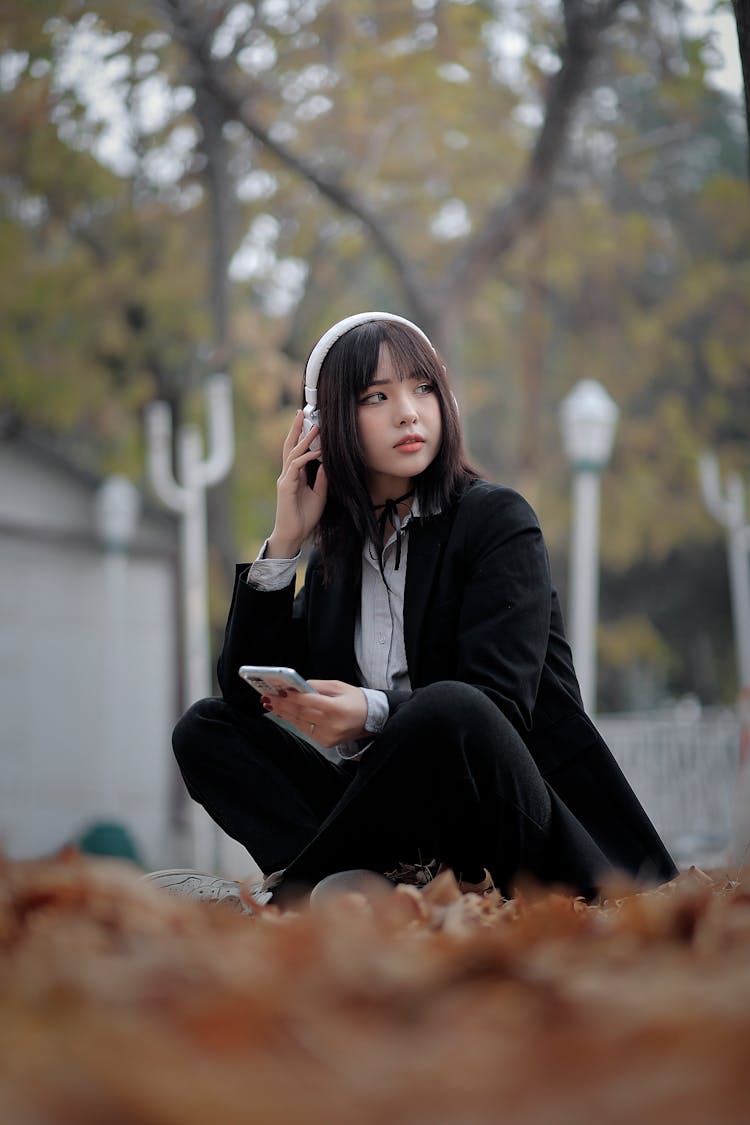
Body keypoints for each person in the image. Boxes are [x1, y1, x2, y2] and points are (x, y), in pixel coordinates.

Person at [149, 311, 677, 910]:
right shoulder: (333, 564)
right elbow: (246, 697)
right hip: (398, 833)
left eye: (423, 387)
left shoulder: (497, 522)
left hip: (512, 821)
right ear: (325, 428)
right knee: (205, 730)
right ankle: (364, 886)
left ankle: (296, 896)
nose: (409, 411)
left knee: (449, 706)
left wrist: (369, 714)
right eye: (377, 396)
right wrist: (286, 541)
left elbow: (493, 711)